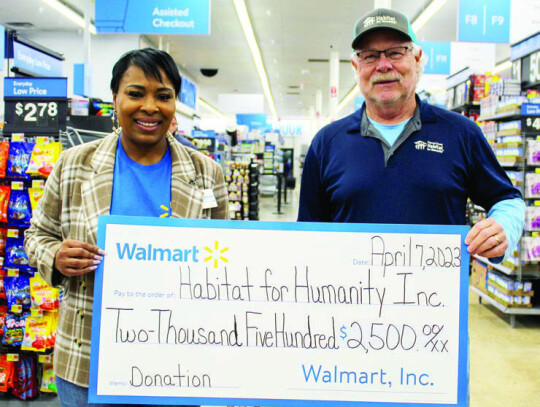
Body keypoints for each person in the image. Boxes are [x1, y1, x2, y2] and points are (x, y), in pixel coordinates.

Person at [25, 48, 229, 407]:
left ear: (174, 104)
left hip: (177, 359)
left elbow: (225, 255)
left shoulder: (206, 173)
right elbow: (37, 234)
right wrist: (56, 255)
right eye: (135, 94)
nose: (150, 107)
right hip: (87, 359)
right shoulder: (76, 164)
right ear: (115, 98)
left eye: (163, 96)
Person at [298, 8, 524, 261]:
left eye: (396, 52)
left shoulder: (461, 133)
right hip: (350, 296)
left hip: (436, 297)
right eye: (370, 56)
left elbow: (507, 199)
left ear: (417, 59)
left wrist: (503, 226)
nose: (383, 65)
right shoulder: (327, 143)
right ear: (355, 66)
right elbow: (308, 233)